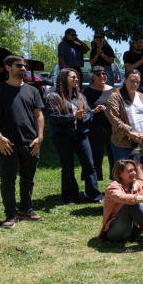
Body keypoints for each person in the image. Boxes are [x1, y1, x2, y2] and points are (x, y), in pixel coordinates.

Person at [0, 55, 46, 228]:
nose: (23, 68)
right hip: (7, 143)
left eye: (25, 66)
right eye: (19, 65)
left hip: (30, 142)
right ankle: (10, 214)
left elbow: (39, 115)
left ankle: (25, 209)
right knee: (8, 179)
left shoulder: (32, 91)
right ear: (8, 67)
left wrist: (40, 137)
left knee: (28, 179)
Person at [47, 68, 101, 204]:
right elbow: (53, 117)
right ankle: (70, 197)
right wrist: (73, 116)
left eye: (77, 77)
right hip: (63, 136)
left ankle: (94, 195)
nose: (76, 79)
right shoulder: (54, 97)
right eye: (73, 77)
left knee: (89, 165)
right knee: (67, 167)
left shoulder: (81, 97)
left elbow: (88, 114)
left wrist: (83, 117)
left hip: (81, 135)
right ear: (63, 79)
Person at [99, 159, 143, 251]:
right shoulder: (112, 187)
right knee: (133, 203)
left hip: (135, 230)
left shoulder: (138, 184)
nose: (134, 173)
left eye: (134, 170)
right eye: (130, 171)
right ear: (119, 174)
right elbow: (124, 198)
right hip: (117, 231)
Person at [106, 70, 143, 161]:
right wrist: (129, 133)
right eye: (132, 81)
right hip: (122, 142)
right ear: (125, 79)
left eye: (137, 82)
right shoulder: (115, 97)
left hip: (142, 140)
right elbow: (113, 117)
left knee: (140, 168)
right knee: (124, 168)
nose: (135, 84)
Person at [82, 65, 116, 182]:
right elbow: (83, 111)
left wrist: (108, 110)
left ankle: (116, 183)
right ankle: (92, 185)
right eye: (98, 74)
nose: (102, 76)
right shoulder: (86, 91)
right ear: (92, 77)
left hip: (112, 128)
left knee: (114, 157)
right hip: (94, 128)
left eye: (104, 73)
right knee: (94, 158)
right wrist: (93, 111)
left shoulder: (114, 91)